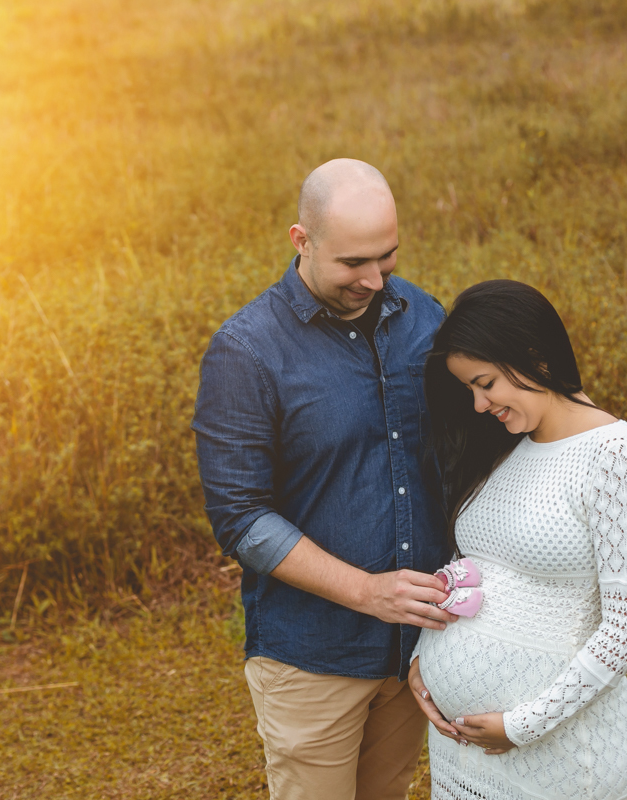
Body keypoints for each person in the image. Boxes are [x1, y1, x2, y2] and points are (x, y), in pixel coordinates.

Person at [192, 158, 456, 800]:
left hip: (415, 648)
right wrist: (370, 593)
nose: (373, 280)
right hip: (312, 657)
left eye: (386, 259)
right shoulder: (246, 352)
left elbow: (458, 457)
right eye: (352, 264)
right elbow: (242, 520)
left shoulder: (426, 320)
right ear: (301, 241)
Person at [408, 280, 627, 800]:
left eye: (485, 384)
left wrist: (524, 724)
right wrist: (423, 656)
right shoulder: (507, 449)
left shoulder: (615, 455)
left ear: (531, 354)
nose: (479, 405)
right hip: (462, 750)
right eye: (469, 391)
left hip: (557, 750)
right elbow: (473, 565)